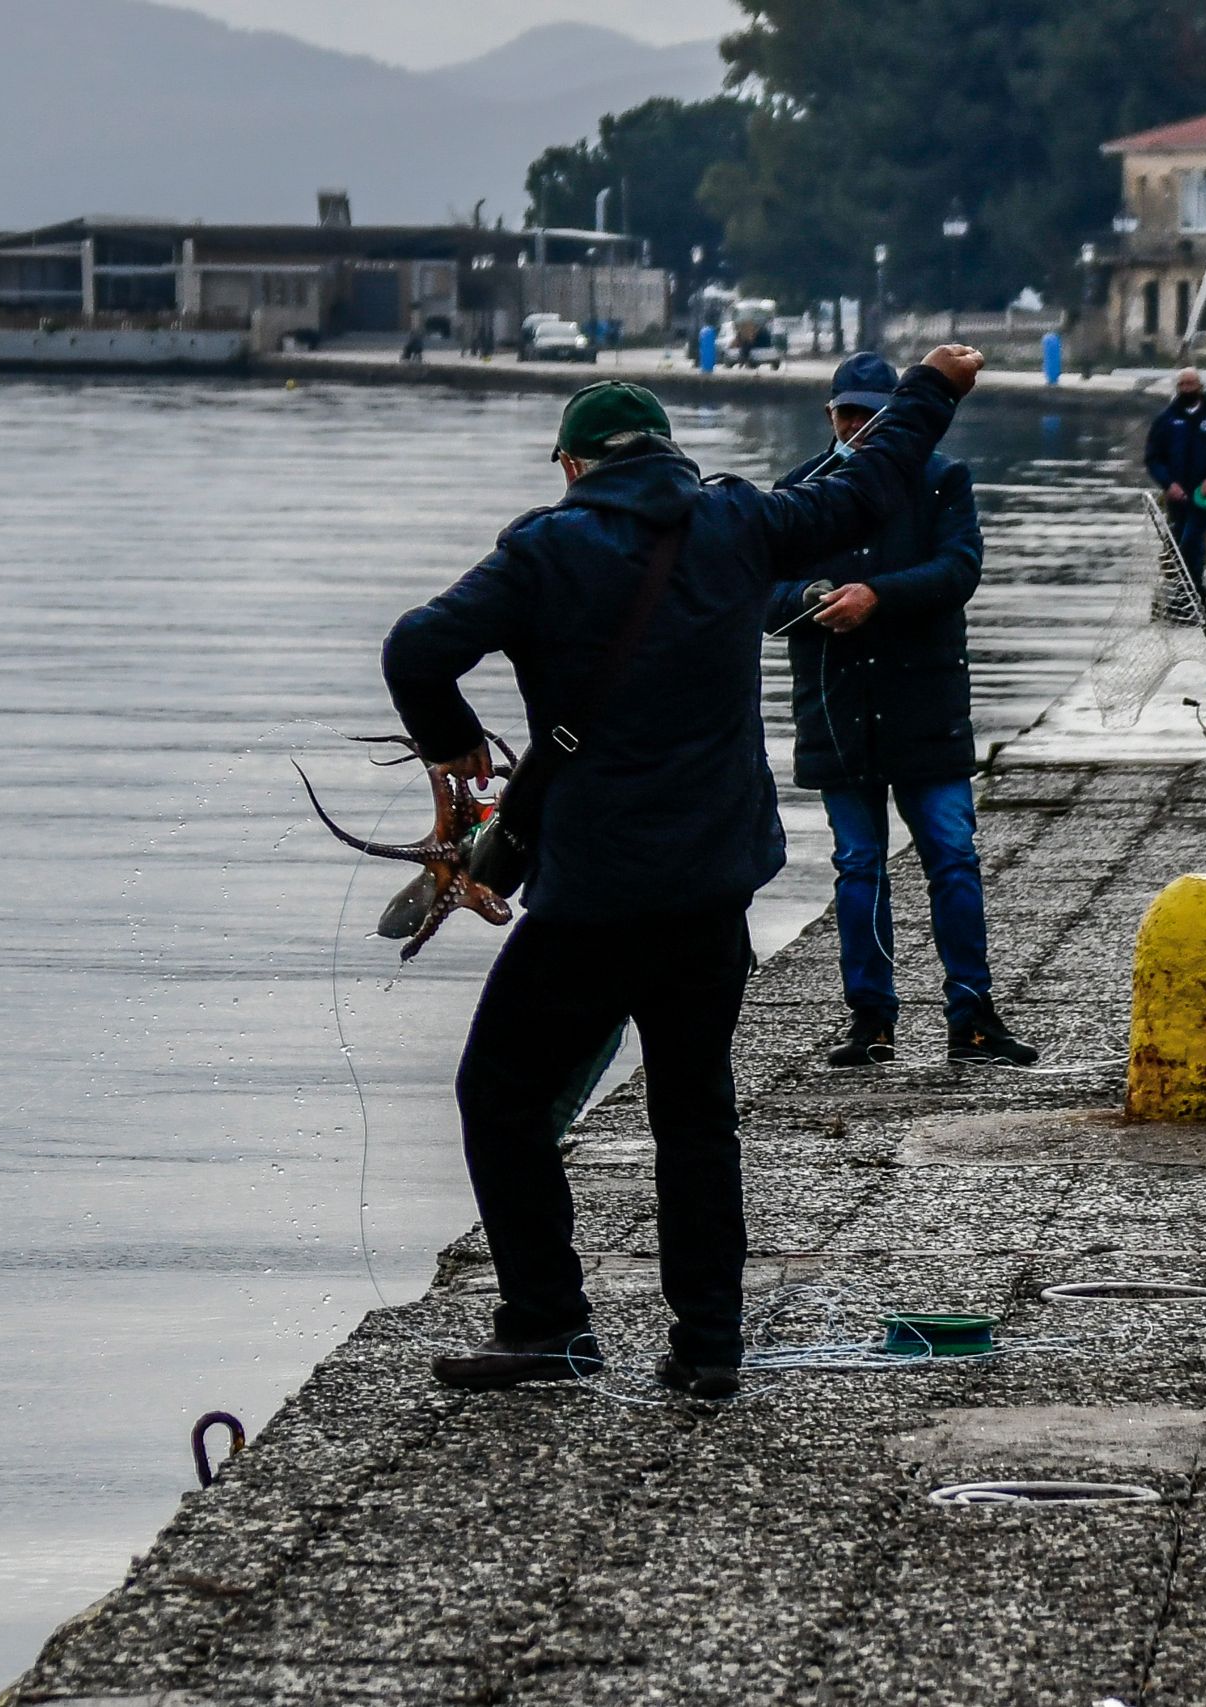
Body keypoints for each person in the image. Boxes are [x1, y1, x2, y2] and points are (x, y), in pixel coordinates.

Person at [382, 348, 985, 1400]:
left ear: (571, 467)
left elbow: (414, 650)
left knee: (499, 1096)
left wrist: (452, 743)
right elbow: (867, 484)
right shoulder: (737, 523)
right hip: (711, 885)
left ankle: (548, 1324)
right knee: (694, 1116)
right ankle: (707, 1346)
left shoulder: (539, 552)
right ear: (666, 450)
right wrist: (930, 389)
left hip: (590, 896)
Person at [765, 354, 1037, 1070]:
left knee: (953, 856)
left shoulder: (943, 478)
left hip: (926, 707)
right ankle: (870, 1020)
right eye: (846, 412)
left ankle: (971, 1014)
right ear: (829, 415)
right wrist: (811, 597)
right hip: (837, 710)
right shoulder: (798, 491)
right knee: (859, 865)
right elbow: (763, 597)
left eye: (870, 412)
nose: (857, 425)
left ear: (896, 412)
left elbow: (959, 570)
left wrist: (876, 595)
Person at [1147, 367, 1206, 581]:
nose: (1186, 388)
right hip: (1177, 495)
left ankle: (1195, 592)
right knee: (1178, 539)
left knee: (1192, 539)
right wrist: (1168, 483)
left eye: (1190, 383)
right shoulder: (1166, 420)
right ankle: (1183, 591)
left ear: (1200, 386)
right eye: (1182, 384)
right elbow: (1153, 458)